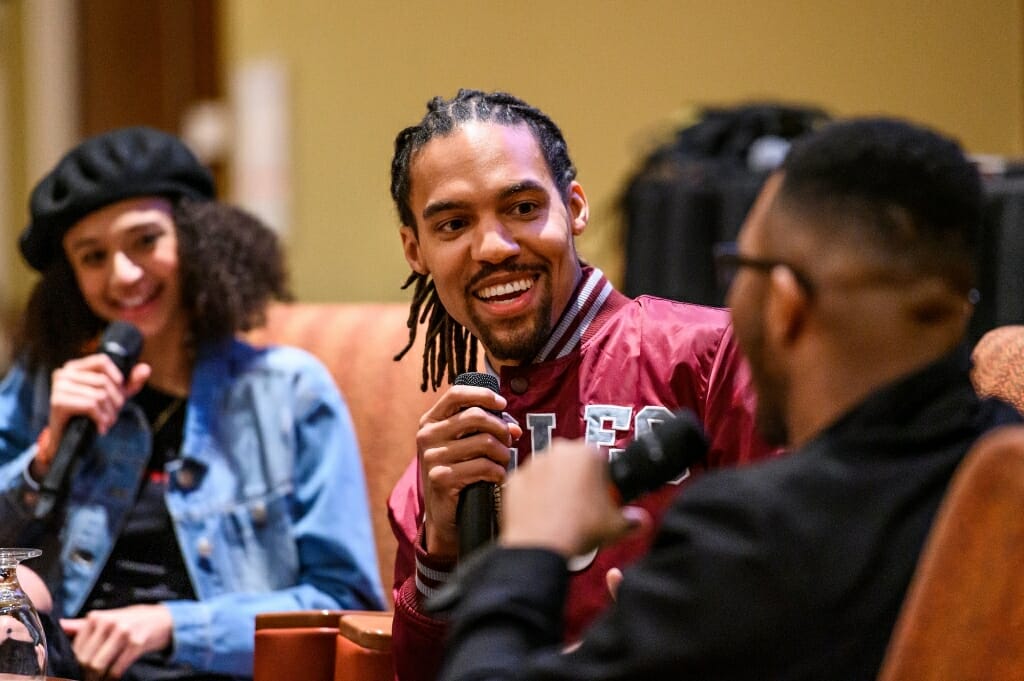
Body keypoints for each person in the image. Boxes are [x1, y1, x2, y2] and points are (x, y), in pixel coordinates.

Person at [434, 117, 1024, 680]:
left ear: (785, 302)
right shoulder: (1004, 470)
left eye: (738, 266)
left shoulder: (755, 541)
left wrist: (530, 550)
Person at [386, 89, 777, 681]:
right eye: (453, 223)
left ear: (575, 207)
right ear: (416, 249)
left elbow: (802, 577)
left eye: (521, 207)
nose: (493, 247)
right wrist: (438, 546)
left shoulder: (711, 355)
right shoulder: (442, 463)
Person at [0, 126, 385, 680]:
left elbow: (343, 606)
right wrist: (44, 456)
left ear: (195, 239)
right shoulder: (45, 382)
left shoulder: (290, 393)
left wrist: (172, 625)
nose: (123, 274)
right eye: (93, 256)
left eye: (145, 241)